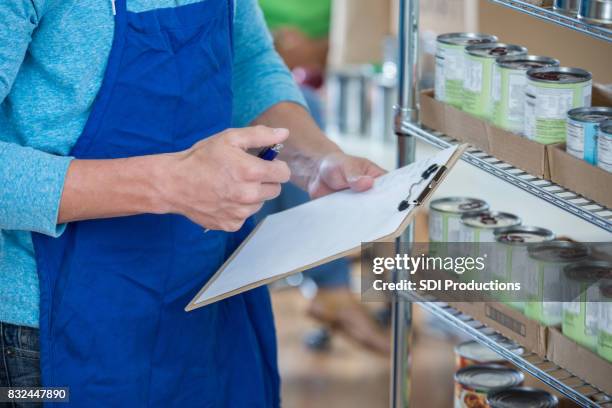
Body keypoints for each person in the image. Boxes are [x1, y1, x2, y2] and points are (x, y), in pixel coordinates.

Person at [0, 0, 384, 406]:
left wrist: (316, 159)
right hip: (50, 340)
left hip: (207, 305)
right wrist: (170, 182)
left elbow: (248, 59)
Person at [257, 0, 390, 354]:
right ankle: (333, 289)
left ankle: (332, 288)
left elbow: (359, 37)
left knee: (298, 119)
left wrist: (313, 50)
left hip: (323, 75)